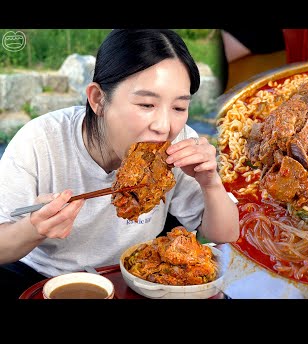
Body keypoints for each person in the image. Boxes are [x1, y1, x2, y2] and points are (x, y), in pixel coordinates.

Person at [0, 29, 240, 299]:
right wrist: (34, 228)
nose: (163, 126)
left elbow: (226, 233)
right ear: (98, 99)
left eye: (179, 108)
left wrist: (211, 183)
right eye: (147, 104)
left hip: (136, 277)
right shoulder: (40, 141)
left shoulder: (181, 144)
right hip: (41, 279)